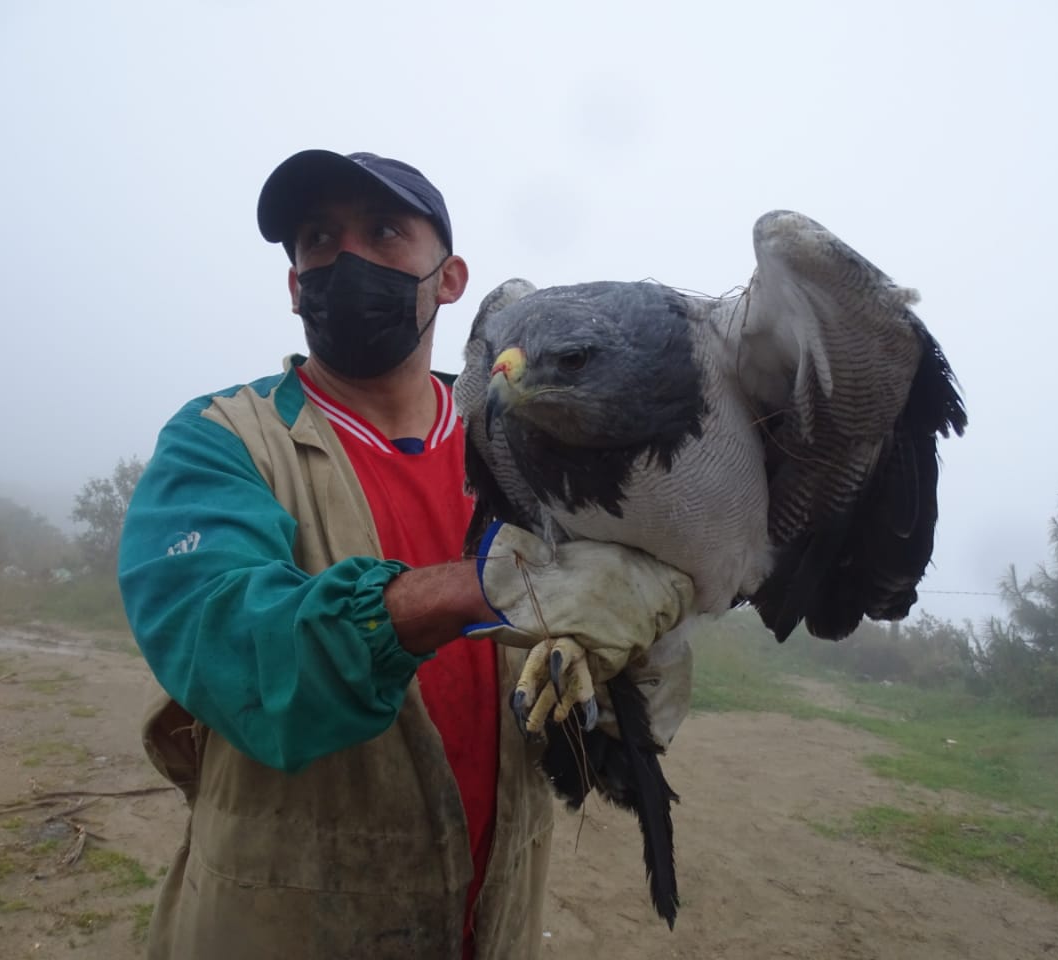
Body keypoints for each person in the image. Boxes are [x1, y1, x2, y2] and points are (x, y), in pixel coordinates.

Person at [117, 149, 694, 960]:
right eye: (318, 239)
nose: (346, 258)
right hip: (279, 931)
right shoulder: (222, 441)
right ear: (293, 286)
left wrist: (628, 664)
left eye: (385, 231)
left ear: (451, 278)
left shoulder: (527, 441)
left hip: (493, 925)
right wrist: (483, 590)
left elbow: (605, 605)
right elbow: (232, 646)